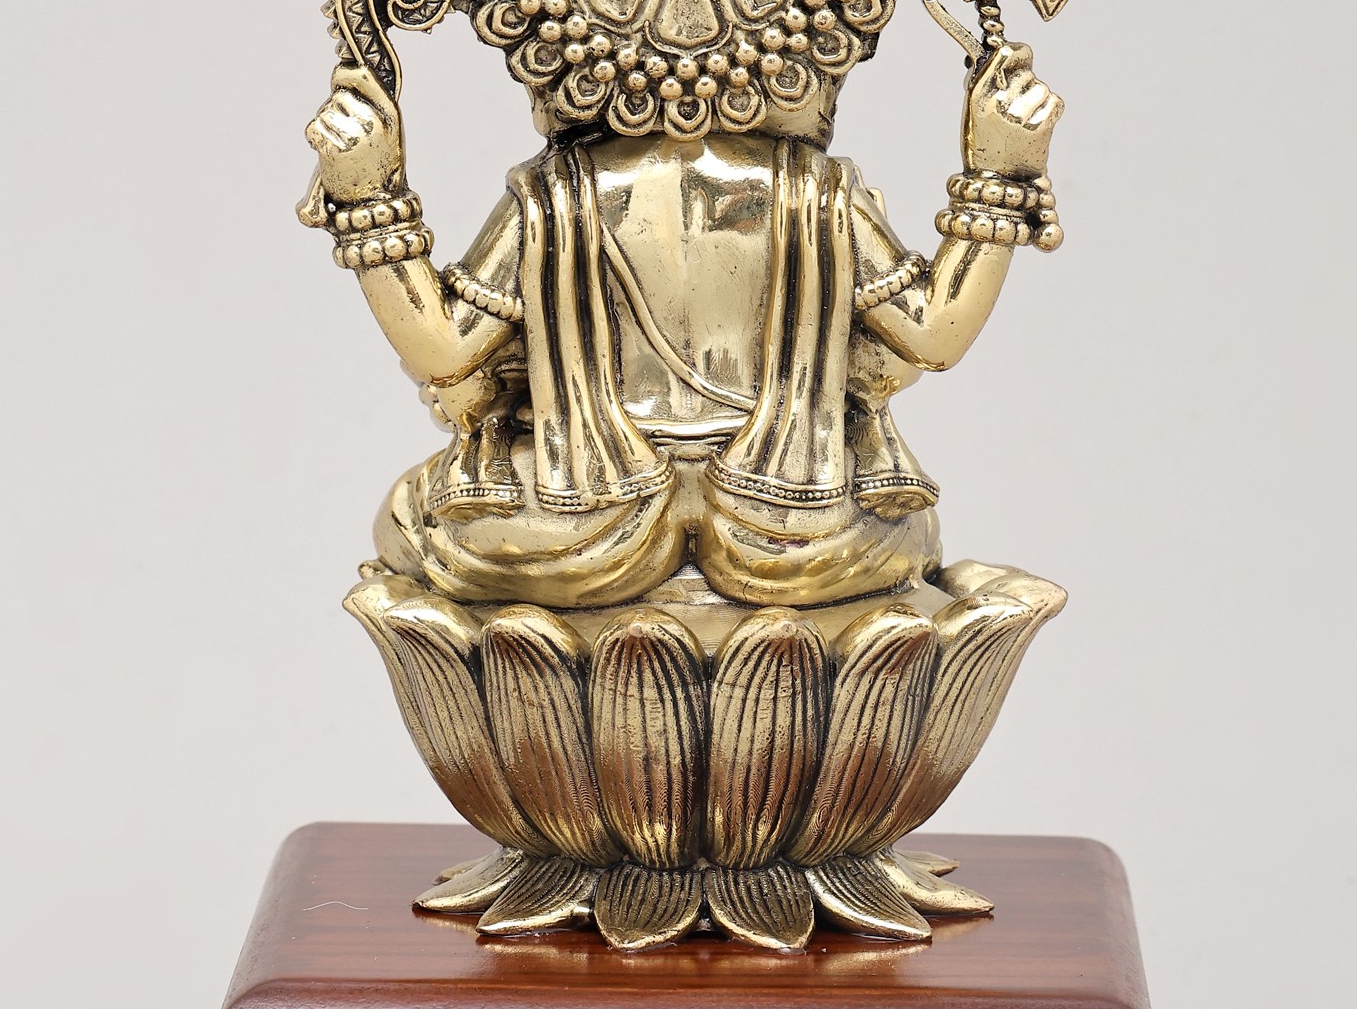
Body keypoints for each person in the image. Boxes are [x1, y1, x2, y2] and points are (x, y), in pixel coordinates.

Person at [302, 41, 1062, 609]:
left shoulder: (557, 192)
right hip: (795, 526)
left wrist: (368, 191)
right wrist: (1000, 171)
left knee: (411, 520)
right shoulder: (814, 189)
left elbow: (443, 351)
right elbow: (934, 333)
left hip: (581, 523)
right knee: (906, 534)